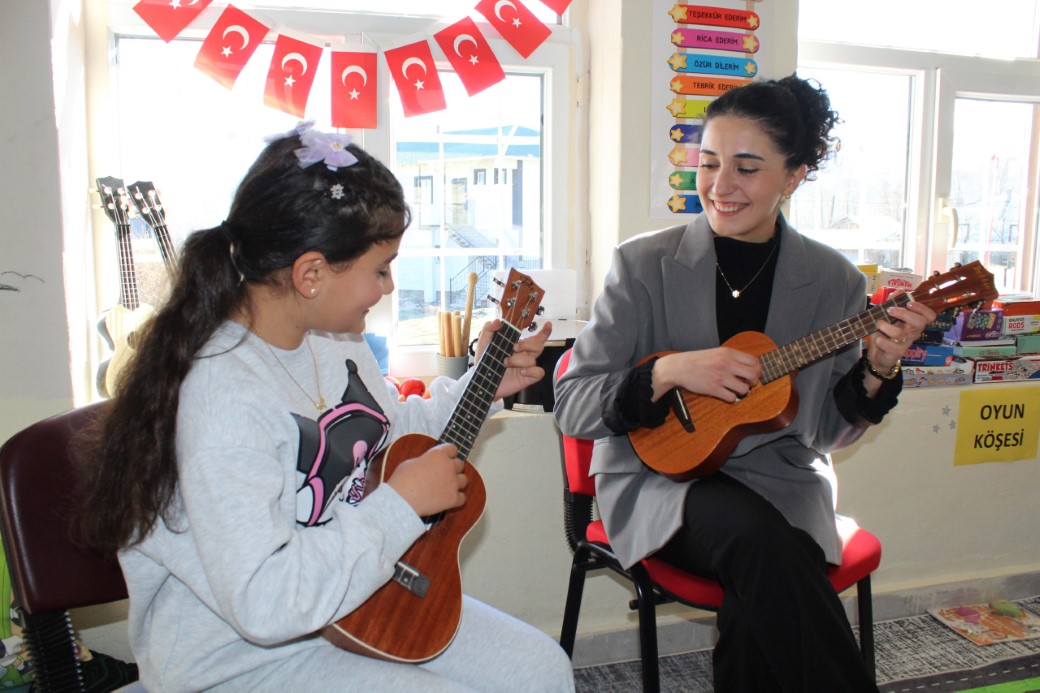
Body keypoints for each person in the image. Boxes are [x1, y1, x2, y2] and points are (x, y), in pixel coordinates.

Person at [76, 124, 574, 692]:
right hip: (242, 657)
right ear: (310, 274)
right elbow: (266, 603)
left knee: (542, 671)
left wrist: (481, 388)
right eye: (380, 269)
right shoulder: (222, 395)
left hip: (351, 595)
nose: (389, 287)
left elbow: (382, 439)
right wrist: (400, 505)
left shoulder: (333, 336)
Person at [553, 74, 936, 692]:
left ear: (793, 177)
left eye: (747, 167)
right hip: (661, 483)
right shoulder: (643, 265)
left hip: (783, 482)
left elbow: (830, 432)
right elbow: (572, 404)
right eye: (708, 163)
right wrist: (667, 371)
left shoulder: (834, 281)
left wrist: (880, 368)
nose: (720, 186)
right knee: (765, 550)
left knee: (760, 594)